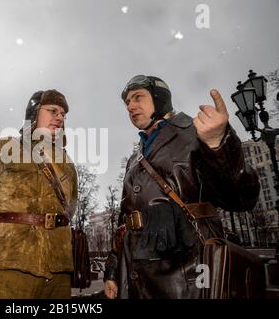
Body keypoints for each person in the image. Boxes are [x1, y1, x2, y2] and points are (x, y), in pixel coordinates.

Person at [104, 75, 260, 299]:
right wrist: (112, 270)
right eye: (127, 102)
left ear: (159, 99)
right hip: (137, 277)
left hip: (188, 275)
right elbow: (124, 219)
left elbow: (242, 197)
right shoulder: (134, 159)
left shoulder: (195, 134)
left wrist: (219, 144)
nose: (130, 106)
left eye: (138, 97)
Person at [0, 89, 78, 299]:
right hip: (6, 262)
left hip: (57, 268)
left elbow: (70, 208)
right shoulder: (0, 149)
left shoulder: (66, 164)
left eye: (63, 115)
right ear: (34, 113)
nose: (60, 117)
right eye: (53, 111)